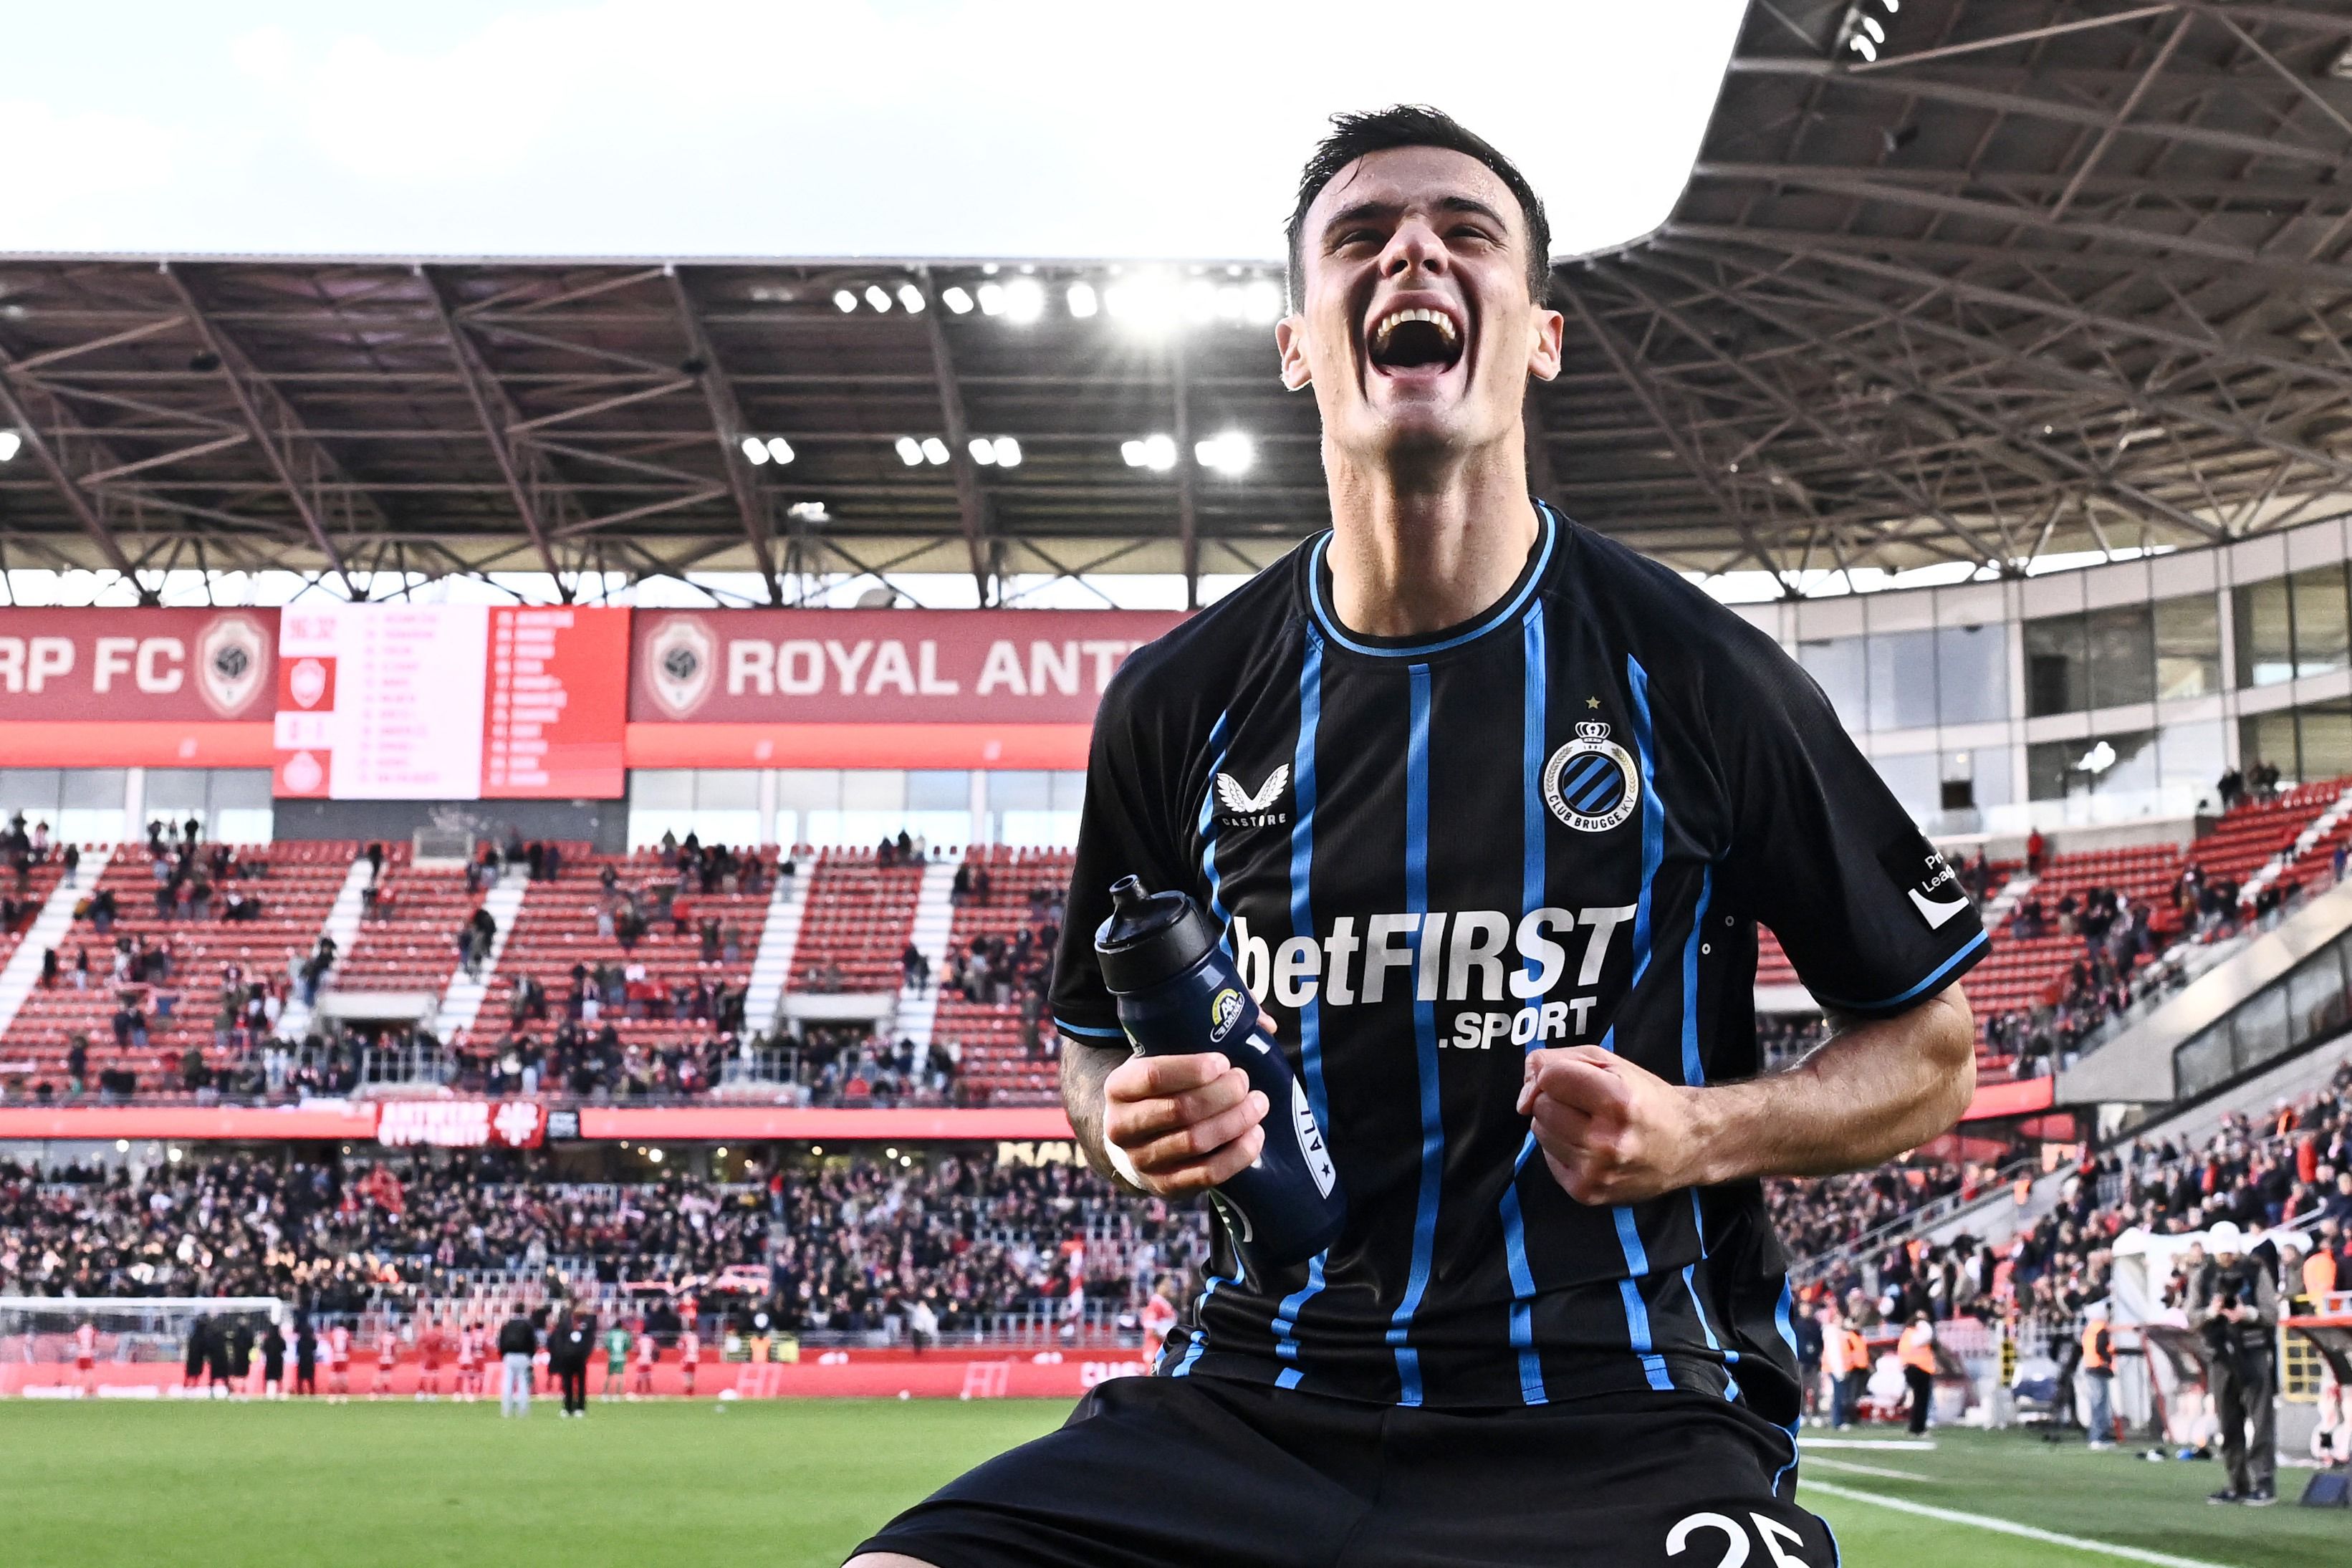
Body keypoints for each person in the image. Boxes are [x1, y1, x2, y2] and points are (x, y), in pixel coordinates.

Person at [850, 105, 1982, 1568]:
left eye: (1465, 231)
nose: (1412, 253)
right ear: (1298, 344)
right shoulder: (1176, 701)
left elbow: (1932, 1049)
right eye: (1362, 237)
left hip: (1616, 1412)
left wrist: (1704, 1127)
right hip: (1254, 1398)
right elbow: (1087, 1049)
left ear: (1543, 335)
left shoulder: (1699, 674)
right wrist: (1127, 1126)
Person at [2194, 1222, 2278, 1504]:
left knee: (2261, 1419)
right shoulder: (2204, 1274)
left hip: (2253, 1351)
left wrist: (2248, 1313)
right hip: (2220, 1354)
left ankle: (2264, 1482)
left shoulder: (2255, 1270)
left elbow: (2271, 1312)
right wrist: (2211, 1311)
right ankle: (2238, 1483)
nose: (2227, 1259)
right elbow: (2191, 1315)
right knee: (2228, 1422)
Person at [2080, 1302, 2116, 1450]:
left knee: (2096, 1403)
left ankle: (2097, 1436)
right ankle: (2099, 1436)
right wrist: (2108, 1359)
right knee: (2100, 1403)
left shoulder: (2090, 1327)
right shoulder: (2101, 1328)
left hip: (2090, 1367)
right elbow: (2100, 1347)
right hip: (2099, 1368)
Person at [1896, 1310, 1937, 1435]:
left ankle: (1915, 1426)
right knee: (1921, 1400)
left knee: (1917, 1400)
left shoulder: (1907, 1333)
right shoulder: (1920, 1330)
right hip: (1921, 1368)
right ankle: (1918, 1428)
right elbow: (1928, 1335)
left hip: (1910, 1367)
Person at [552, 1306, 594, 1418]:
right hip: (567, 1359)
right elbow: (559, 1340)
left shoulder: (587, 1324)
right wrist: (563, 1354)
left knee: (581, 1384)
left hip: (580, 1359)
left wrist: (585, 1354)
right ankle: (568, 1407)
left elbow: (590, 1341)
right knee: (567, 1384)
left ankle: (580, 1408)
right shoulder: (565, 1324)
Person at [497, 1307, 537, 1418]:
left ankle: (506, 1411)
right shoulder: (527, 1325)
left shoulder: (507, 1324)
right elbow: (533, 1342)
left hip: (509, 1355)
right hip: (524, 1355)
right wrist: (531, 1355)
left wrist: (503, 1354)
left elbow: (501, 1341)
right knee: (523, 1384)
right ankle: (523, 1412)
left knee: (508, 1383)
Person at [602, 1320, 630, 1402]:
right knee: (620, 1376)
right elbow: (628, 1345)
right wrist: (624, 1351)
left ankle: (605, 1394)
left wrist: (610, 1352)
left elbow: (607, 1345)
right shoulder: (625, 1334)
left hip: (612, 1357)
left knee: (609, 1375)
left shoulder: (610, 1334)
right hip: (621, 1357)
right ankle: (617, 1395)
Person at [261, 1321, 287, 1401]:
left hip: (270, 1361)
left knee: (270, 1378)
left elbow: (264, 1349)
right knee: (278, 1377)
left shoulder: (267, 1340)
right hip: (278, 1360)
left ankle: (270, 1393)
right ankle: (278, 1393)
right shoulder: (281, 1340)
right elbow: (284, 1349)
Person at [326, 1320, 350, 1402]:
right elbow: (348, 1346)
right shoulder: (346, 1333)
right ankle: (343, 1395)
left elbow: (331, 1344)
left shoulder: (334, 1333)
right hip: (343, 1356)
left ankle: (332, 1395)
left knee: (334, 1375)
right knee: (343, 1376)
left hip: (336, 1356)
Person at [632, 1324, 658, 1398]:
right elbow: (654, 1350)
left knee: (639, 1377)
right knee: (648, 1376)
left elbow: (637, 1350)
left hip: (641, 1359)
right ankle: (649, 1391)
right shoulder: (651, 1340)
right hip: (649, 1359)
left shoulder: (640, 1340)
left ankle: (638, 1391)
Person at [296, 1317, 319, 1399]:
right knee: (311, 1378)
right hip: (310, 1359)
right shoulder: (312, 1341)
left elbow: (298, 1351)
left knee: (300, 1377)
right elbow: (315, 1348)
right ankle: (312, 1392)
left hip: (302, 1360)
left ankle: (300, 1392)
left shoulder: (299, 1341)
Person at [73, 1319, 97, 1391]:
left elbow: (77, 1342)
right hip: (88, 1354)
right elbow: (93, 1343)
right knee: (90, 1373)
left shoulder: (79, 1331)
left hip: (81, 1354)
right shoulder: (92, 1331)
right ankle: (90, 1391)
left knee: (78, 1372)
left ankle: (73, 1391)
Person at [678, 1326, 701, 1398]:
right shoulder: (696, 1337)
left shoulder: (685, 1337)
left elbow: (680, 1347)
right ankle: (691, 1389)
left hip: (687, 1357)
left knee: (686, 1374)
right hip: (695, 1357)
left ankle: (688, 1390)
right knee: (692, 1374)